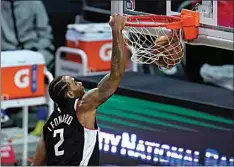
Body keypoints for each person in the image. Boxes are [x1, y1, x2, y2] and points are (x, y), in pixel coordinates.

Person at [31, 15, 127, 166]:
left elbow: (36, 163)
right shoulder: (82, 106)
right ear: (69, 93)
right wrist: (117, 31)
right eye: (74, 83)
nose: (80, 83)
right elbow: (117, 74)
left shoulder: (49, 125)